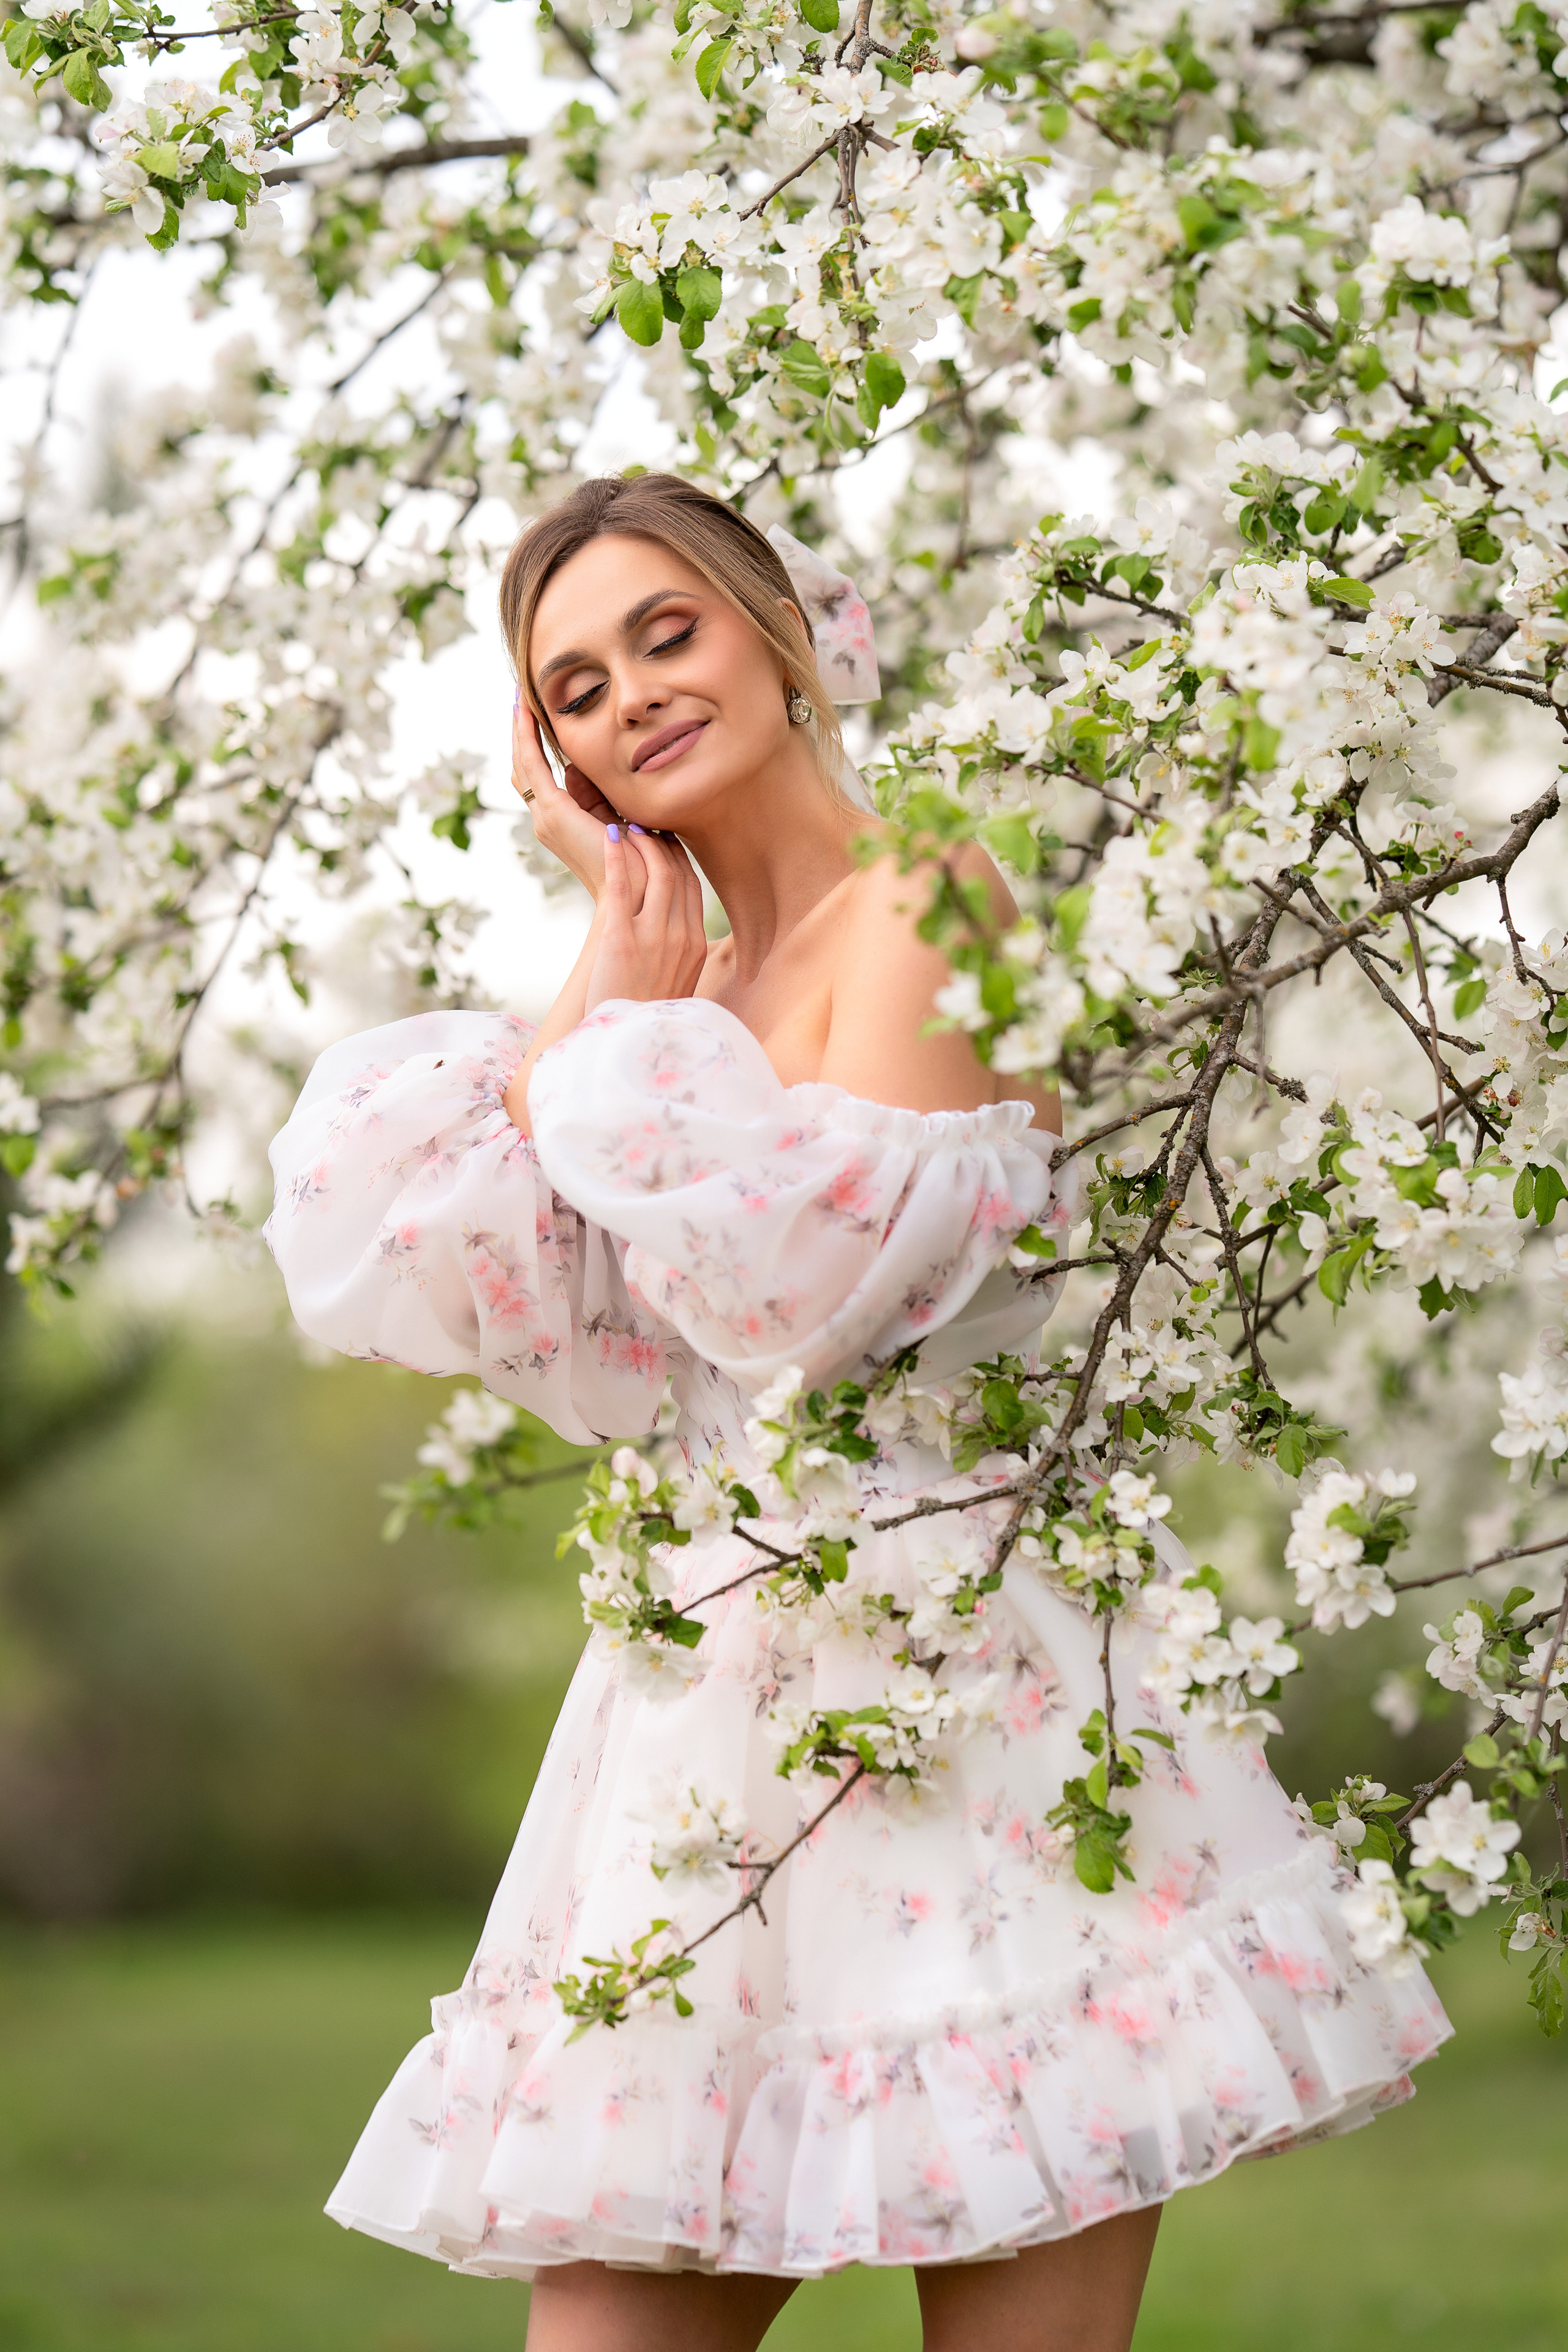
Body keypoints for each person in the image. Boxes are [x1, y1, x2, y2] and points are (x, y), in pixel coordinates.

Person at [267, 474, 1449, 2352]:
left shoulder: (934, 898)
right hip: (695, 1755)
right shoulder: (672, 997)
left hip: (965, 1708)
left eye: (669, 632)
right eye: (572, 687)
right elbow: (467, 1285)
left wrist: (631, 1034)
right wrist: (609, 953)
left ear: (779, 634)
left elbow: (799, 1304)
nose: (632, 696)